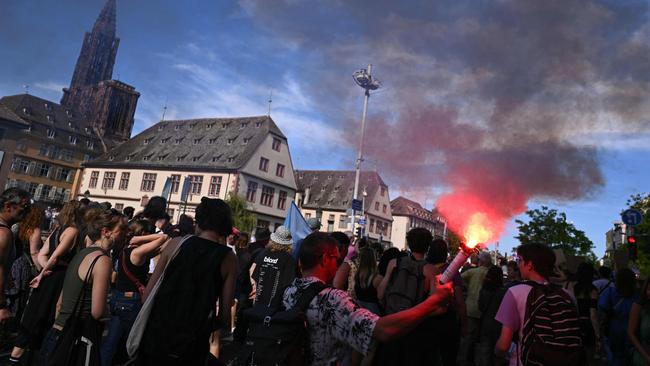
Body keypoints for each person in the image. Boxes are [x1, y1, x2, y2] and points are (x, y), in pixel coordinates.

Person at [281, 232, 453, 366]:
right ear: (326, 259)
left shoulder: (288, 291)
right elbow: (382, 330)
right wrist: (432, 302)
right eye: (337, 259)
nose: (338, 264)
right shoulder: (331, 299)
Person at [132, 197, 237, 365]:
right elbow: (224, 315)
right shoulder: (228, 258)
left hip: (157, 336)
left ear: (199, 220)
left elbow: (147, 297)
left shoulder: (175, 244)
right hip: (192, 344)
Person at [38, 208, 127, 365]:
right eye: (122, 230)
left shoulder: (83, 253)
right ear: (106, 232)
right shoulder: (102, 260)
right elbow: (97, 312)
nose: (127, 234)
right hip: (78, 337)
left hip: (57, 332)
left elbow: (60, 302)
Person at [8, 200, 83, 365]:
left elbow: (42, 254)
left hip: (49, 275)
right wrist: (43, 274)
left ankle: (16, 358)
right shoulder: (72, 230)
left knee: (34, 315)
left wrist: (44, 269)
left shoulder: (57, 229)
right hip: (59, 278)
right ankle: (29, 357)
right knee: (44, 318)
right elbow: (55, 255)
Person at [495, 243, 584, 366]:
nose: (518, 265)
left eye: (520, 260)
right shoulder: (567, 295)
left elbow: (504, 345)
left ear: (530, 264)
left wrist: (497, 353)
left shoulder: (514, 292)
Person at [100, 219, 169, 366]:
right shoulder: (137, 251)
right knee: (131, 343)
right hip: (131, 302)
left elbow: (165, 245)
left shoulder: (126, 249)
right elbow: (163, 238)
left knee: (111, 342)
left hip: (118, 298)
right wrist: (139, 238)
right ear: (142, 234)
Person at [424, 237, 467, 366]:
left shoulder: (424, 268)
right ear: (445, 253)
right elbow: (459, 300)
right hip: (447, 320)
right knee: (448, 356)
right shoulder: (452, 271)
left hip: (426, 317)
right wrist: (464, 323)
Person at [6, 206, 43, 322]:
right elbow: (34, 252)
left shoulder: (18, 226)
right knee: (20, 297)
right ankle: (12, 326)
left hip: (13, 263)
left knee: (10, 295)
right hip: (24, 266)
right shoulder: (34, 230)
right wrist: (41, 270)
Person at [0, 188, 30, 326]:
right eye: (24, 208)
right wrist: (1, 306)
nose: (27, 212)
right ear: (7, 206)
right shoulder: (4, 234)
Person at [250, 226, 297, 309]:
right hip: (275, 308)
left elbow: (254, 274)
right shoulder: (289, 260)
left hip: (258, 304)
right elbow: (288, 285)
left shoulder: (263, 254)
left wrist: (254, 287)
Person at [459, 250, 492, 366]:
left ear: (480, 261)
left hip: (470, 308)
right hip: (485, 312)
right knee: (480, 340)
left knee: (466, 338)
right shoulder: (490, 274)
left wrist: (467, 286)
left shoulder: (473, 272)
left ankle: (462, 360)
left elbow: (459, 278)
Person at [599, 267, 637, 366]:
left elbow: (602, 308)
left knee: (615, 358)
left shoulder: (610, 292)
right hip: (633, 331)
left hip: (614, 330)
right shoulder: (637, 295)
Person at [565, 262, 600, 364]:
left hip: (571, 324)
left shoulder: (569, 286)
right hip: (586, 326)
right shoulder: (592, 290)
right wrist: (598, 335)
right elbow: (593, 314)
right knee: (588, 358)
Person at [477, 265, 507, 366]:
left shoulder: (484, 290)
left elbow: (480, 307)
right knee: (497, 355)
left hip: (486, 324)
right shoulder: (503, 292)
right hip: (499, 326)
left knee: (485, 352)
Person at [354, 247, 382, 315]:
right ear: (373, 259)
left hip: (358, 311)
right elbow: (381, 298)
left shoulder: (357, 275)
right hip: (372, 313)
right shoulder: (377, 278)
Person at [629, 279, 650, 365]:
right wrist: (647, 357)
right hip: (643, 357)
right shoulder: (639, 307)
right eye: (649, 289)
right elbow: (631, 333)